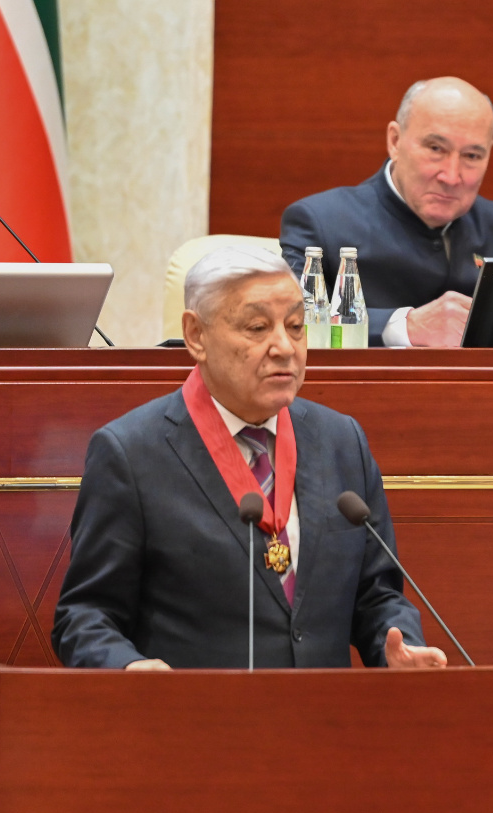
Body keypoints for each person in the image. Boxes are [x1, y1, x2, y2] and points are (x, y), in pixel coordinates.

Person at [52, 245, 447, 670]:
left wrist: (398, 648)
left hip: (326, 710)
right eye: (258, 328)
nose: (285, 347)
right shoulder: (130, 453)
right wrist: (127, 667)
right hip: (200, 710)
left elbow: (377, 595)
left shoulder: (340, 440)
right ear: (196, 335)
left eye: (295, 326)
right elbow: (84, 616)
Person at [279, 77, 493, 348]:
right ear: (395, 141)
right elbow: (288, 322)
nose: (451, 176)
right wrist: (402, 325)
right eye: (435, 149)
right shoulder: (320, 222)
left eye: (471, 156)